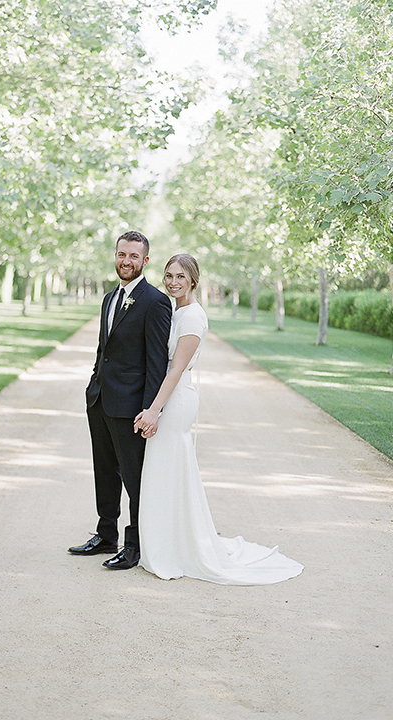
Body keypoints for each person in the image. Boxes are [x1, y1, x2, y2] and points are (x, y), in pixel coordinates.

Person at [134, 254, 304, 585]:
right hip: (171, 396)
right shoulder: (176, 310)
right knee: (165, 472)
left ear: (193, 280)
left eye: (180, 277)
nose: (173, 282)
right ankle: (166, 543)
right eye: (168, 276)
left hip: (177, 399)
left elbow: (176, 368)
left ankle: (175, 550)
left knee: (168, 469)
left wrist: (154, 409)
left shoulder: (193, 317)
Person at [68, 231, 172, 570]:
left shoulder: (155, 301)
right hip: (99, 399)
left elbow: (156, 363)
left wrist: (150, 411)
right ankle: (105, 534)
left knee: (134, 478)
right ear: (116, 255)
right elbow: (105, 350)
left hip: (131, 408)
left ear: (145, 261)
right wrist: (92, 385)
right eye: (121, 254)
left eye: (133, 256)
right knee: (104, 471)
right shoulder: (110, 297)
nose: (126, 261)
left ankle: (134, 544)